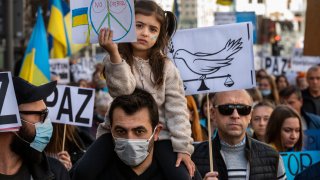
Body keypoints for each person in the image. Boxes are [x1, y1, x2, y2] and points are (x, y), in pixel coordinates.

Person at [98, 0, 194, 176]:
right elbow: (123, 92)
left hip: (161, 136)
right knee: (84, 171)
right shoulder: (113, 59)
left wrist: (183, 147)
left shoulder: (167, 67)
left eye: (153, 29)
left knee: (181, 176)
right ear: (125, 25)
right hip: (118, 134)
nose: (145, 33)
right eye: (139, 25)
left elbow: (177, 109)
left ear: (159, 35)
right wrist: (114, 55)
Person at [71, 88, 202, 180]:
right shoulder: (92, 171)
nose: (129, 139)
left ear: (156, 132)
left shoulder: (181, 173)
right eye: (120, 131)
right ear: (110, 130)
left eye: (139, 131)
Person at [192, 89, 286, 179]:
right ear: (213, 113)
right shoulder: (193, 156)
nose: (235, 115)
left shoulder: (272, 157)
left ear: (250, 115)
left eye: (243, 109)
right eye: (226, 108)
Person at [0, 77, 70, 180]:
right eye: (41, 114)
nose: (47, 123)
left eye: (47, 114)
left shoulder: (55, 172)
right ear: (11, 118)